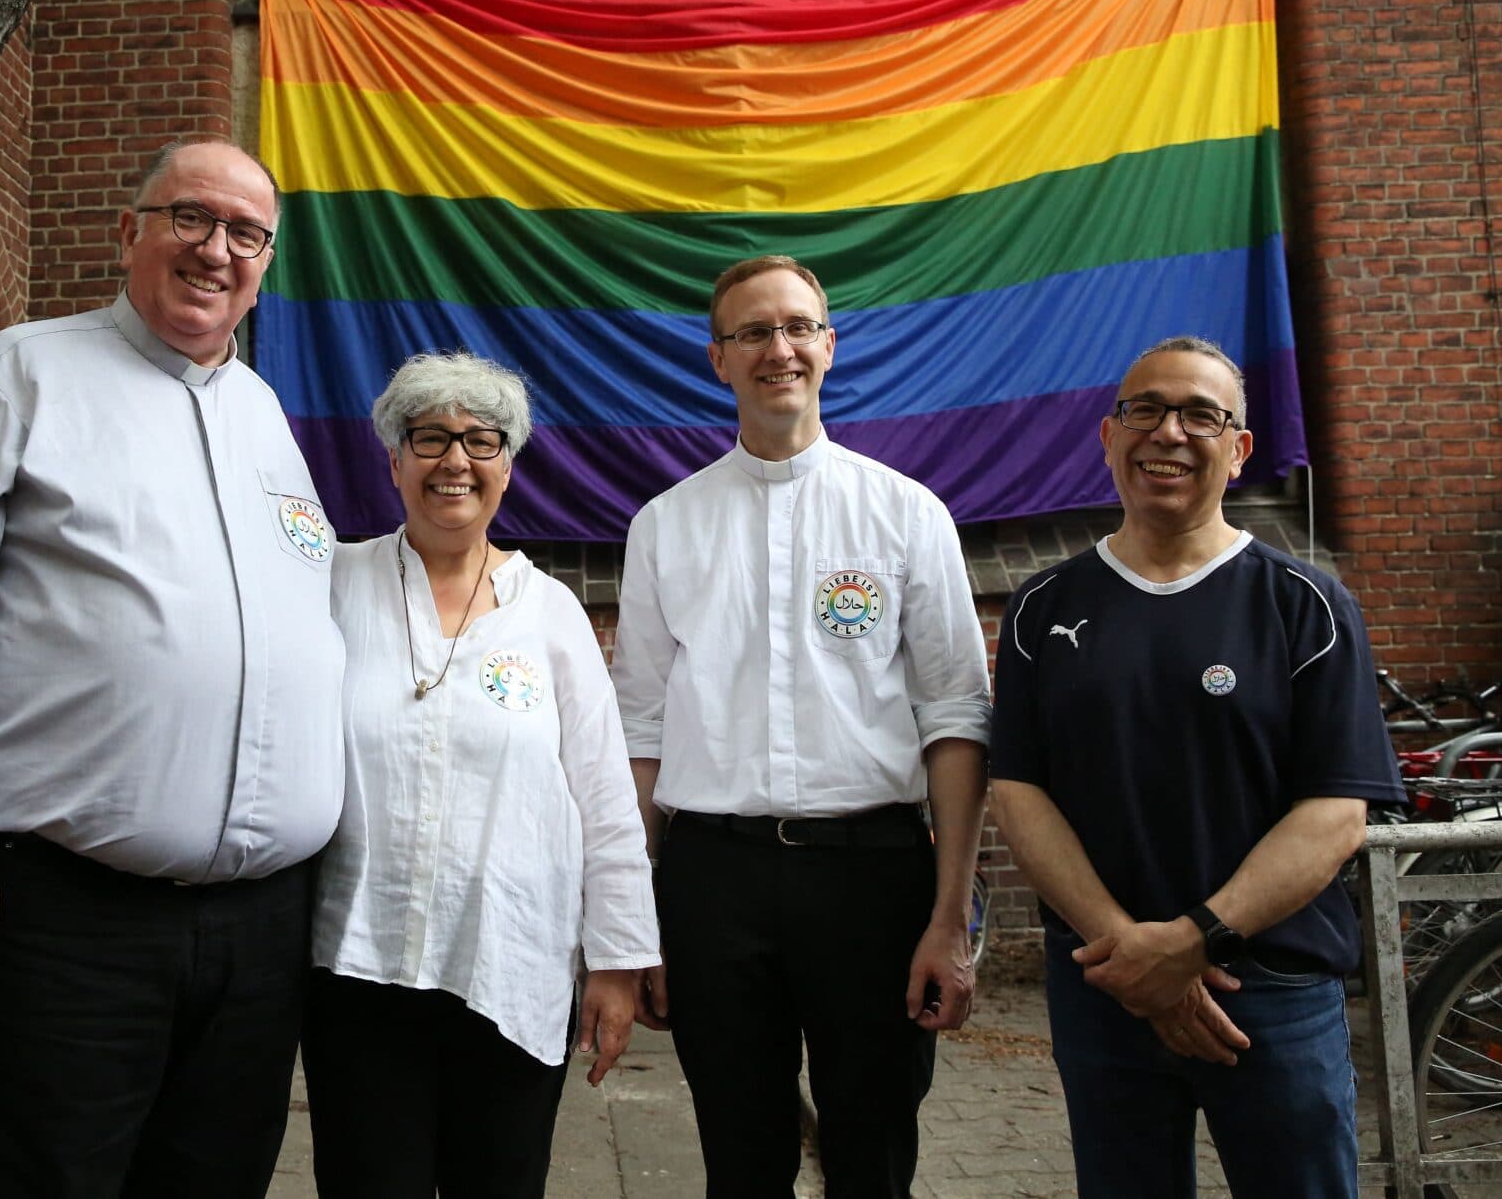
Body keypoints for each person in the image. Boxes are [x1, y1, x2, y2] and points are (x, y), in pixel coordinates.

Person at [0, 139, 345, 1198]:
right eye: (190, 218)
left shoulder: (261, 415)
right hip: (67, 928)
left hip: (257, 935)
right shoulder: (25, 371)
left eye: (245, 234)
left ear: (266, 261)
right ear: (131, 231)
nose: (217, 250)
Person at [610, 254, 992, 1197]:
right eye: (752, 332)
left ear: (827, 344)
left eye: (795, 327)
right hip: (714, 881)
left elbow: (955, 717)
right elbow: (642, 730)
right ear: (718, 359)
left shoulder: (906, 514)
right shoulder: (666, 525)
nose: (777, 348)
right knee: (741, 1159)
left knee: (873, 1156)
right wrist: (636, 919)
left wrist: (951, 916)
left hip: (874, 879)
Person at [987, 335, 1404, 1198]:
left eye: (1200, 414)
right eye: (1144, 409)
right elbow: (1020, 789)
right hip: (1103, 987)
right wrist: (1130, 952)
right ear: (1109, 436)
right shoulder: (1043, 606)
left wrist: (1189, 942)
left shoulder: (1307, 604)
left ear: (1240, 446)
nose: (1167, 432)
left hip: (1272, 993)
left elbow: (1335, 812)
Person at [304, 351, 660, 1198]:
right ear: (392, 459)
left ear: (508, 463)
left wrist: (615, 961)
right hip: (358, 967)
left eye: (481, 440)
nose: (454, 460)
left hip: (507, 965)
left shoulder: (552, 612)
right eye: (429, 437)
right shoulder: (334, 583)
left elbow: (605, 796)